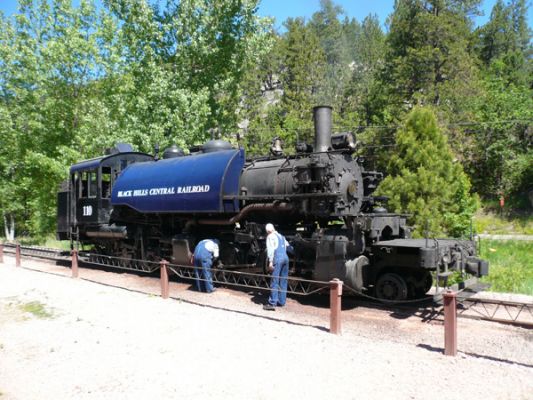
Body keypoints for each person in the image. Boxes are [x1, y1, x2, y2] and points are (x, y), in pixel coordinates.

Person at [263, 223, 293, 311]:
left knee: (274, 280)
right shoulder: (282, 236)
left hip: (278, 258)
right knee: (283, 280)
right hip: (286, 258)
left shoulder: (270, 236)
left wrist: (270, 262)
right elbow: (289, 248)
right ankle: (282, 301)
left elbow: (271, 249)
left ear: (268, 231)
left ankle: (272, 303)